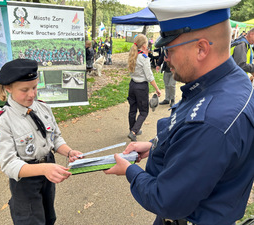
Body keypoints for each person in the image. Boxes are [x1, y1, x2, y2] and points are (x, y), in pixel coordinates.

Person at [105, 0, 254, 225]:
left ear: (201, 49)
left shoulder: (211, 122)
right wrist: (155, 144)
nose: (165, 58)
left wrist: (130, 172)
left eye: (169, 49)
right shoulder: (231, 81)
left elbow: (166, 199)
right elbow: (192, 136)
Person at [0, 59, 82, 225]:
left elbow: (54, 138)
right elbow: (9, 164)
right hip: (25, 179)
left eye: (34, 87)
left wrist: (69, 152)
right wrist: (44, 169)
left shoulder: (43, 108)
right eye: (24, 90)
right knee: (31, 221)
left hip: (48, 172)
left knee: (49, 217)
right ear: (8, 88)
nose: (32, 94)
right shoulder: (3, 120)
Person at [127, 34, 161, 142]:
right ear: (144, 45)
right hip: (141, 87)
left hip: (132, 85)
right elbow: (149, 76)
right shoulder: (144, 58)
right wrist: (157, 89)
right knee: (144, 111)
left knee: (132, 109)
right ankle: (133, 132)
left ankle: (133, 128)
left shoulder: (133, 55)